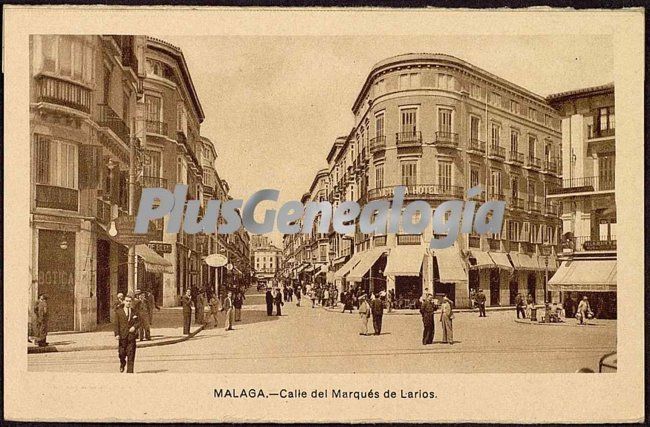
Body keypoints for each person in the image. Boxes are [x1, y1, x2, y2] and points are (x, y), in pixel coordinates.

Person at [114, 293, 140, 373]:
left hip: (131, 336)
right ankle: (122, 363)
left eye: (130, 301)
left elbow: (138, 322)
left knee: (131, 354)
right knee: (121, 353)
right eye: (127, 301)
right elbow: (116, 324)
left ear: (131, 302)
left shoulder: (134, 312)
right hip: (122, 336)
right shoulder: (119, 312)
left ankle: (130, 372)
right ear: (124, 302)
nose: (128, 303)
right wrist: (117, 334)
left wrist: (134, 327)